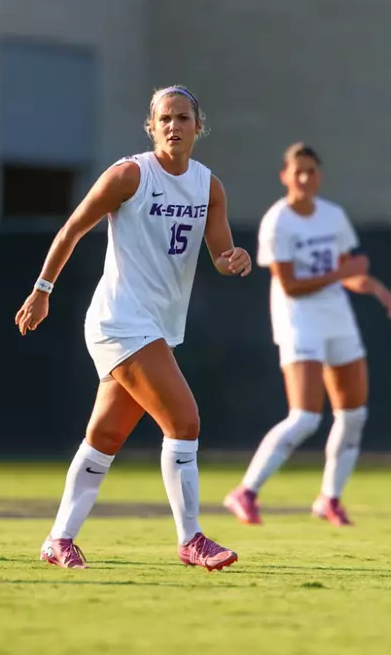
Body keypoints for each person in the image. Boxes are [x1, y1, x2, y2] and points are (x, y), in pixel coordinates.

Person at [15, 86, 252, 571]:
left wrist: (235, 260)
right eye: (164, 118)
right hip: (120, 319)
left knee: (105, 436)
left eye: (182, 117)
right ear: (151, 126)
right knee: (184, 421)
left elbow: (221, 255)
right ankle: (192, 540)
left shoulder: (208, 186)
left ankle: (58, 539)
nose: (173, 126)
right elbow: (72, 229)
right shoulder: (130, 174)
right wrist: (42, 290)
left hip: (155, 326)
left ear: (197, 125)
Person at [223, 143, 391, 528]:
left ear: (319, 176)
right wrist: (343, 273)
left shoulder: (333, 216)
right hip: (298, 321)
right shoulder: (278, 221)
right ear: (285, 175)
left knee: (353, 415)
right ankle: (246, 491)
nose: (304, 178)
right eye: (297, 171)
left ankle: (329, 499)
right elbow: (290, 285)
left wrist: (370, 284)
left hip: (338, 318)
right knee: (304, 417)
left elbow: (343, 270)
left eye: (311, 171)